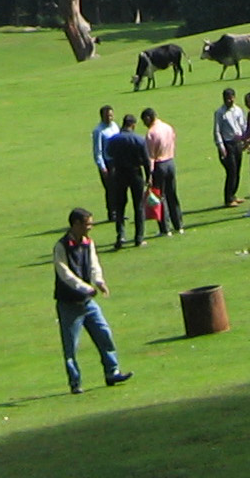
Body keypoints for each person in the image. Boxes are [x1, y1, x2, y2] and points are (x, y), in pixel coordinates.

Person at [51, 206, 132, 394]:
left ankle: (112, 372)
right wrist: (86, 288)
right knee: (71, 346)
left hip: (88, 303)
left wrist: (99, 281)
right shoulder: (61, 246)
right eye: (87, 224)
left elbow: (94, 264)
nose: (90, 227)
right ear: (76, 224)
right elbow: (64, 274)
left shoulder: (88, 243)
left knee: (104, 334)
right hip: (69, 304)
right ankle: (75, 382)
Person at [104, 114, 150, 248]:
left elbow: (109, 155)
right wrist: (148, 177)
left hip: (119, 174)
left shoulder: (113, 140)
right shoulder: (139, 139)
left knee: (120, 207)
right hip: (135, 173)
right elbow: (146, 161)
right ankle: (139, 238)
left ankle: (121, 236)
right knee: (138, 206)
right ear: (133, 125)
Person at [141, 107, 182, 236]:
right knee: (172, 195)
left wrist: (149, 175)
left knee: (160, 197)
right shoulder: (168, 127)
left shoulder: (151, 133)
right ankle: (178, 224)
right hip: (170, 161)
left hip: (160, 165)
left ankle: (165, 228)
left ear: (148, 118)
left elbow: (150, 156)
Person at [90, 105, 125, 237]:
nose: (109, 117)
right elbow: (97, 151)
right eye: (107, 115)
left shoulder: (115, 126)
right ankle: (112, 213)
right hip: (107, 162)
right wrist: (102, 166)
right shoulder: (99, 131)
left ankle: (119, 212)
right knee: (110, 189)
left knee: (118, 187)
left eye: (111, 115)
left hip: (117, 160)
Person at [212, 87, 248, 208]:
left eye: (231, 98)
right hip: (227, 144)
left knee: (237, 170)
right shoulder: (220, 113)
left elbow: (243, 126)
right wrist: (221, 146)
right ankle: (228, 198)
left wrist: (246, 141)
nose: (229, 101)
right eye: (227, 99)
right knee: (231, 171)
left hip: (237, 143)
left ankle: (233, 195)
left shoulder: (238, 110)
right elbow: (217, 131)